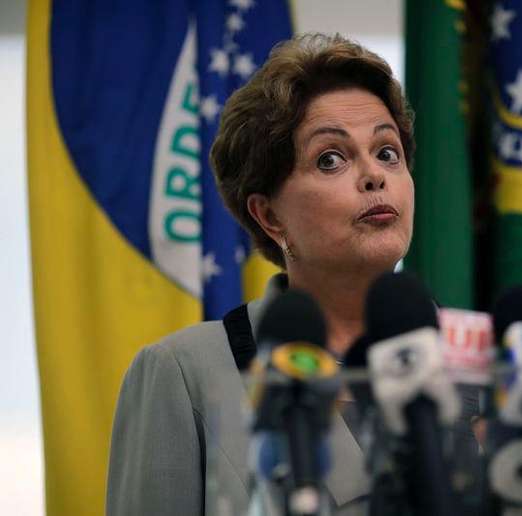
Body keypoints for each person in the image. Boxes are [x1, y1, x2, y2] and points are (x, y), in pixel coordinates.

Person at [106, 32, 420, 516]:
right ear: (270, 216)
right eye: (330, 158)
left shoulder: (484, 362)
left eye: (387, 153)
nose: (374, 176)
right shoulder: (186, 371)